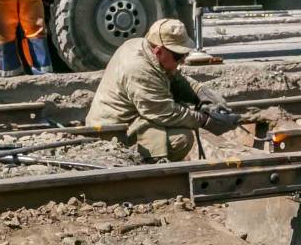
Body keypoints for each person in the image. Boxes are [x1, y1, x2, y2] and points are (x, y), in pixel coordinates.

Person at [85, 18, 236, 162]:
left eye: (185, 54)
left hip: (131, 119)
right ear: (158, 51)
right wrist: (205, 120)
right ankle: (144, 171)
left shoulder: (143, 47)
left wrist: (201, 93)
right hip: (110, 134)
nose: (183, 60)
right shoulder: (139, 69)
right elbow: (164, 112)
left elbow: (175, 77)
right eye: (178, 56)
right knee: (181, 139)